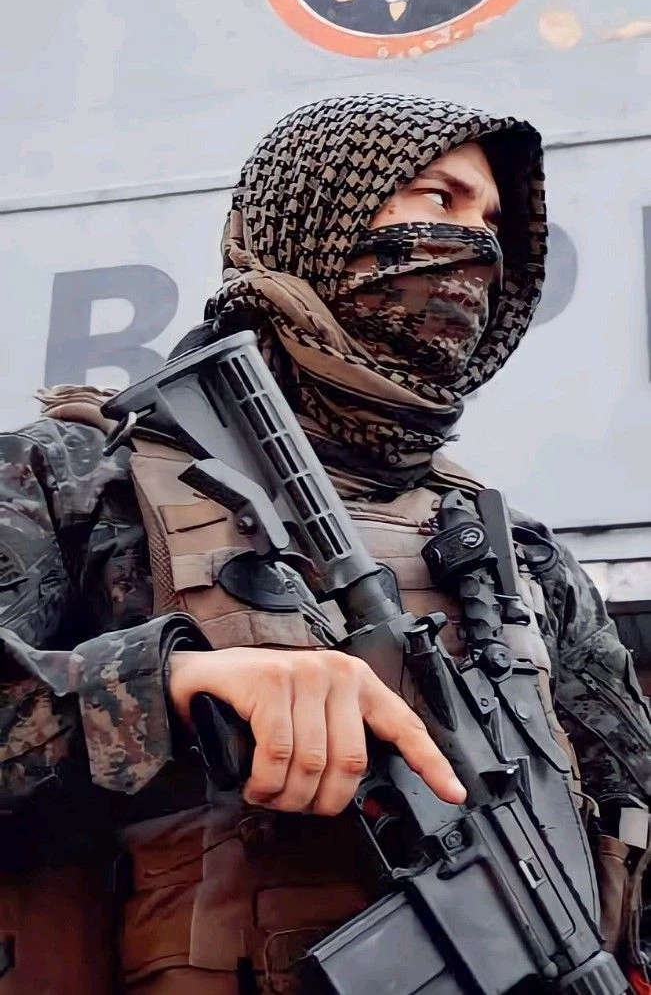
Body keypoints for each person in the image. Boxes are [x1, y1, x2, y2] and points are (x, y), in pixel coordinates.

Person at [0, 94, 649, 995]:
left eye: (492, 221)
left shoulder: (523, 564)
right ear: (314, 214)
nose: (475, 244)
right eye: (437, 197)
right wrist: (172, 683)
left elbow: (630, 817)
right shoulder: (82, 479)